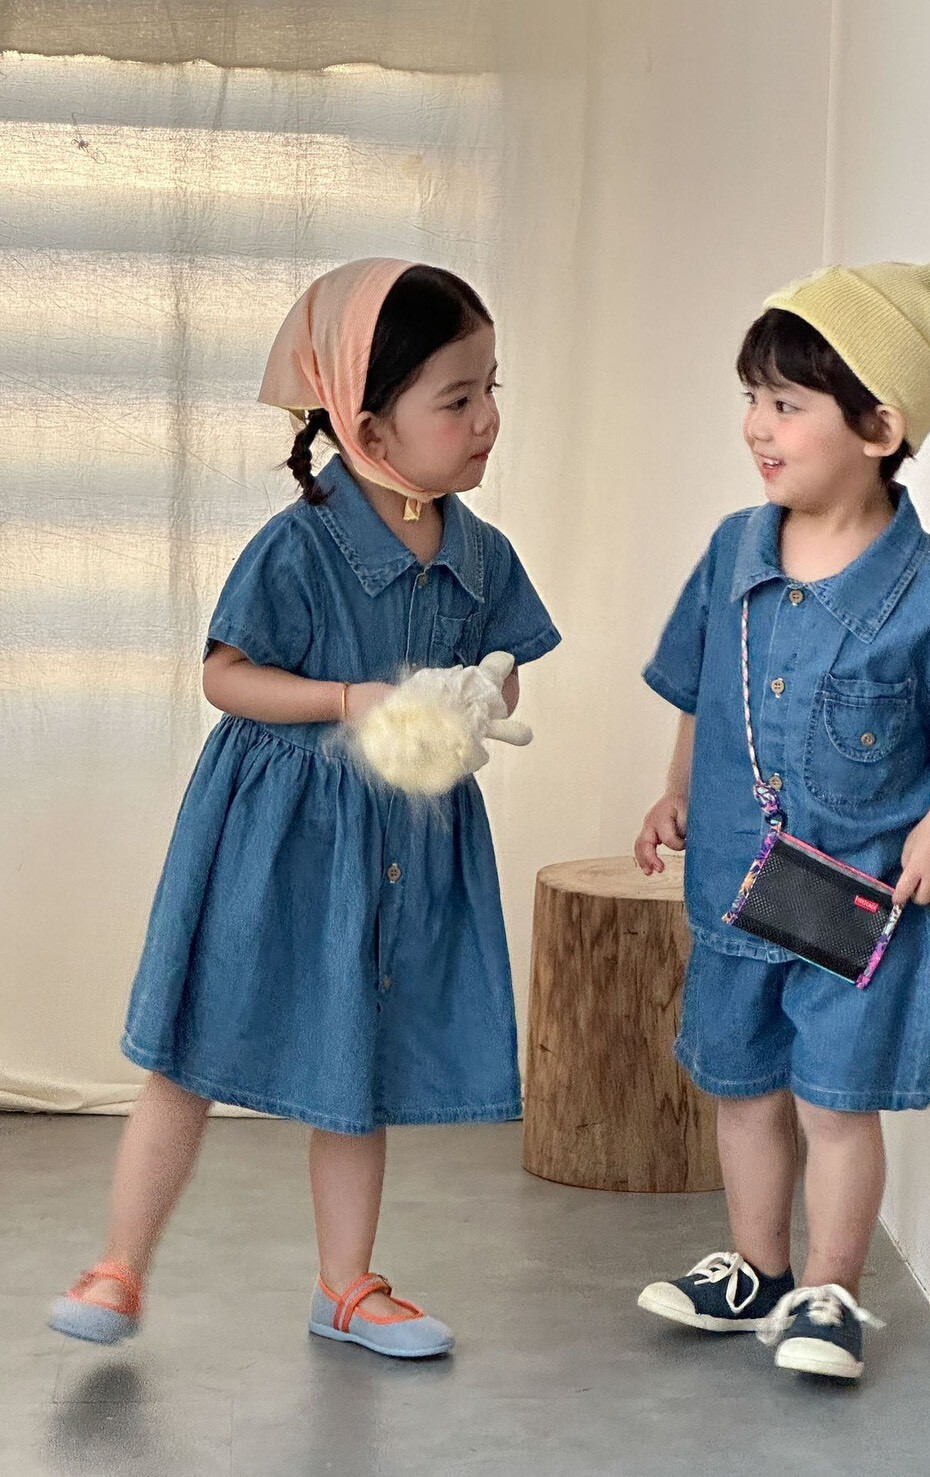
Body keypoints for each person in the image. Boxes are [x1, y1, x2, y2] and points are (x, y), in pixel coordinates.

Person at [50, 258, 560, 1359]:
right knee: (190, 1043)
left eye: (492, 389)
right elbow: (225, 676)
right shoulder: (300, 543)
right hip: (272, 835)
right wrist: (348, 700)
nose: (487, 419)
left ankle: (347, 1286)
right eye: (458, 398)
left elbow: (507, 665)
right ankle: (119, 1265)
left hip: (397, 843)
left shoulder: (481, 553)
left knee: (354, 1061)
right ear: (369, 426)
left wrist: (482, 695)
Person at [633, 262, 930, 1380]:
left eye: (786, 404)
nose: (756, 426)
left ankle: (830, 1290)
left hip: (860, 909)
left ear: (878, 429)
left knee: (836, 1104)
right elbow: (701, 687)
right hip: (733, 885)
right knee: (743, 1087)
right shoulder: (733, 550)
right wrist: (674, 785)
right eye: (752, 398)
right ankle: (756, 1267)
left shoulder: (928, 590)